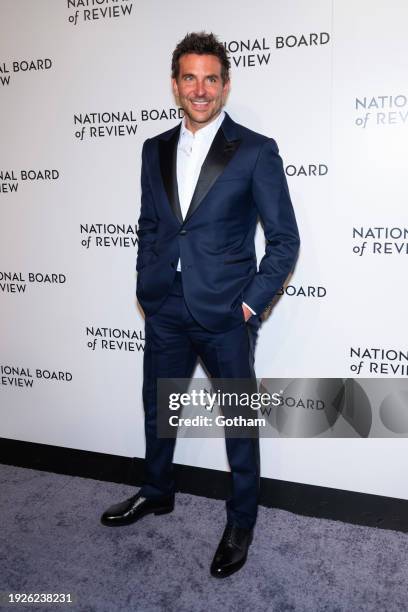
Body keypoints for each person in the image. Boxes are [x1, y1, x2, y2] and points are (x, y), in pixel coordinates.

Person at [101, 31, 300, 578]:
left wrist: (249, 306)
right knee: (157, 409)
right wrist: (147, 283)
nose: (201, 89)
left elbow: (284, 240)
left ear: (226, 85)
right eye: (190, 77)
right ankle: (157, 491)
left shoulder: (255, 150)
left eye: (211, 78)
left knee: (238, 422)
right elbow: (150, 225)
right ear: (175, 85)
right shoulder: (154, 149)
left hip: (224, 314)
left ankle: (241, 522)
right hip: (165, 305)